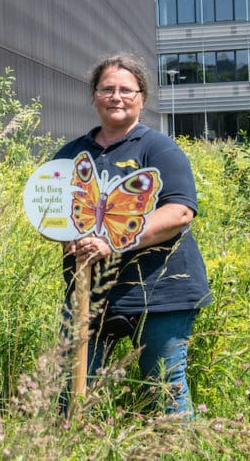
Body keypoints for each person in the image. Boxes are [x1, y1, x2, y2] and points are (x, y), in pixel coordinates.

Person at [57, 53, 210, 417]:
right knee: (72, 387)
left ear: (142, 96)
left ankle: (174, 454)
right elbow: (51, 212)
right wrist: (65, 238)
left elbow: (180, 211)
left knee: (163, 387)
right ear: (94, 95)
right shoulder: (71, 154)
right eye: (107, 89)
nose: (116, 96)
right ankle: (72, 448)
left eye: (126, 89)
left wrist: (112, 242)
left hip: (160, 290)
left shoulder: (158, 148)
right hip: (90, 292)